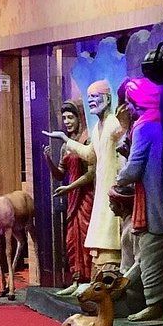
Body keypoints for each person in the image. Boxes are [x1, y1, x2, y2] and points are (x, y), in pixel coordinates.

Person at [115, 78, 163, 322]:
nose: (127, 107)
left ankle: (153, 303)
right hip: (152, 198)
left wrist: (120, 178)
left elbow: (134, 167)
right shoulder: (154, 123)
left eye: (129, 102)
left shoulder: (144, 126)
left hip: (150, 201)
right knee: (144, 253)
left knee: (150, 252)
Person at [53, 80, 124, 272]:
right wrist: (66, 140)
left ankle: (109, 267)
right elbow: (90, 154)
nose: (91, 100)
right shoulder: (97, 127)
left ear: (107, 99)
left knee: (110, 228)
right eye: (89, 97)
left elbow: (123, 153)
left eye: (95, 96)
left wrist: (121, 182)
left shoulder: (113, 124)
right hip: (102, 188)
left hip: (113, 185)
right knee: (99, 229)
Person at [45, 99, 94, 292]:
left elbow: (91, 174)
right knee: (72, 238)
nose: (67, 121)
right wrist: (48, 160)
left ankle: (89, 280)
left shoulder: (87, 141)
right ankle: (76, 280)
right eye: (64, 118)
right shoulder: (65, 146)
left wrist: (69, 188)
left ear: (79, 117)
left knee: (86, 234)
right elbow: (60, 174)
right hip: (72, 196)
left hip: (86, 195)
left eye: (70, 117)